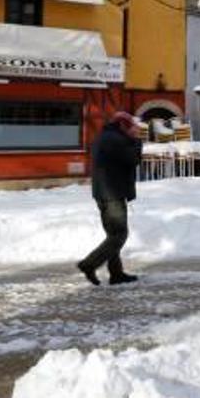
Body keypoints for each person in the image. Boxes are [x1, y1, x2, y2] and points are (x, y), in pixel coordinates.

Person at [77, 111, 143, 286]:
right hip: (113, 194)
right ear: (122, 125)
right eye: (131, 127)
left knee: (112, 235)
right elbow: (134, 159)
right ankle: (89, 264)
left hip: (104, 193)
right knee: (120, 234)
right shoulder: (116, 140)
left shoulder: (105, 137)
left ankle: (116, 274)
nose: (133, 129)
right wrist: (136, 140)